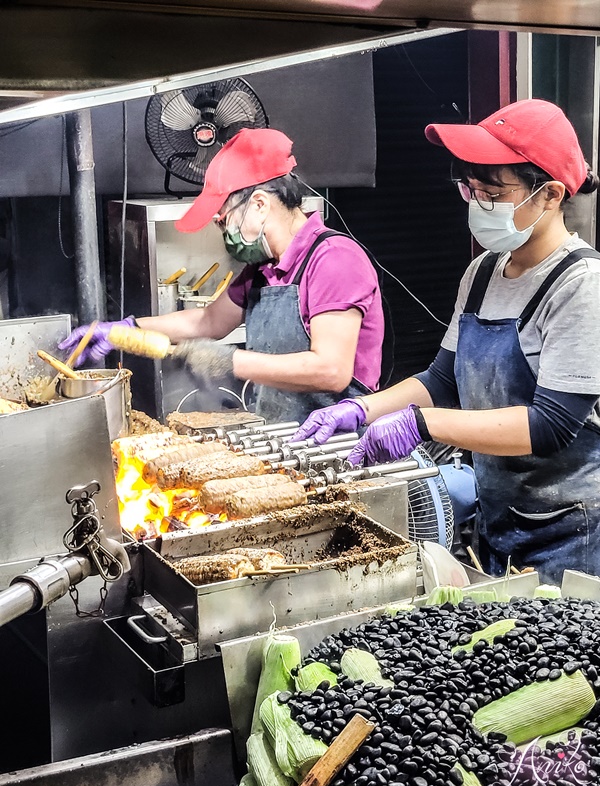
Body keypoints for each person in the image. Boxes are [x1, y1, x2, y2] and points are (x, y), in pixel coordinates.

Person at [291, 99, 600, 584]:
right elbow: (443, 380)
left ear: (550, 195)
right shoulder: (481, 273)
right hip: (499, 521)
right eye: (470, 189)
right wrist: (362, 410)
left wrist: (423, 425)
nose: (477, 204)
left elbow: (551, 425)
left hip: (570, 536)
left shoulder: (580, 285)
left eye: (493, 192)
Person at [59, 128, 384, 422]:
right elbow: (209, 322)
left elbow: (331, 370)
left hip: (342, 447)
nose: (222, 231)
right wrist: (126, 329)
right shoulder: (262, 269)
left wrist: (229, 361)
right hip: (284, 440)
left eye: (222, 219)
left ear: (259, 205)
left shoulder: (334, 260)